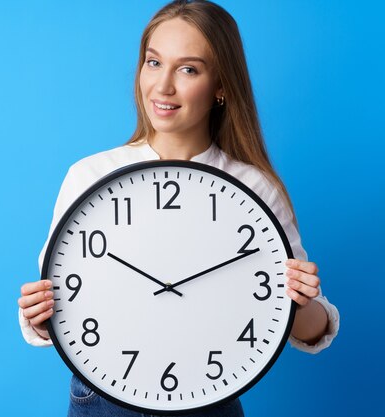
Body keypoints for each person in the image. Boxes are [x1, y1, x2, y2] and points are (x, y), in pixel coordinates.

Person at [17, 1, 340, 416]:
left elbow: (309, 329)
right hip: (105, 401)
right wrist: (40, 315)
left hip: (209, 400)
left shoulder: (255, 189)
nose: (163, 86)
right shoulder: (91, 176)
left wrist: (301, 301)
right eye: (153, 63)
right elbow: (59, 306)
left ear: (221, 85)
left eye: (188, 69)